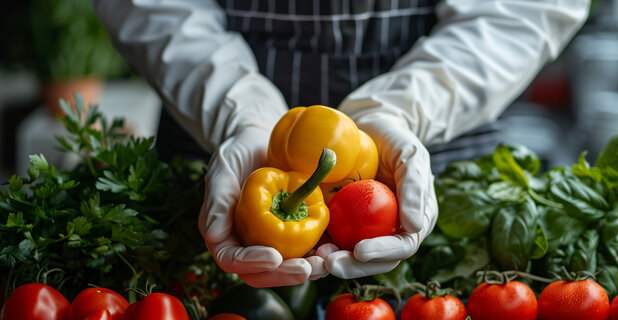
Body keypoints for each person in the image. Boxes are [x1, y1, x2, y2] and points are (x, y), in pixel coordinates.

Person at [92, 0, 590, 287]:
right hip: (217, 148)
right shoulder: (265, 174)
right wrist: (235, 109)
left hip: (433, 141)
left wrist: (406, 109)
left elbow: (526, 7)